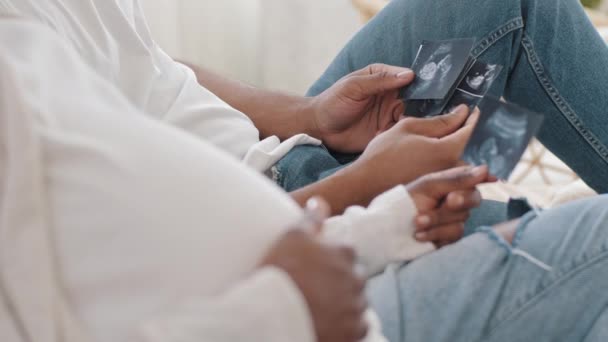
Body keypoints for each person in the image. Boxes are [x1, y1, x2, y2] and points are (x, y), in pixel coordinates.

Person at [1, 0, 608, 340]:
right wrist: (361, 188)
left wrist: (311, 116)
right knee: (581, 244)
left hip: (287, 158)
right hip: (310, 238)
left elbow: (151, 68)